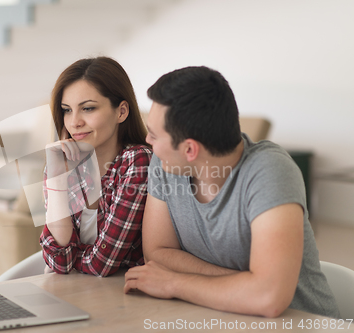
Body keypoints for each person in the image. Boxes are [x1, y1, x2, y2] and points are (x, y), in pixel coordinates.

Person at [123, 66, 340, 318]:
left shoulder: (270, 170)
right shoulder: (165, 161)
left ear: (190, 150)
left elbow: (268, 298)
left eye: (153, 135)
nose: (148, 142)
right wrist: (247, 282)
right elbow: (158, 254)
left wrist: (173, 283)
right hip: (221, 317)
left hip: (301, 322)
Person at [40, 57, 152, 277]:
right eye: (66, 110)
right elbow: (61, 262)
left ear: (121, 112)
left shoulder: (137, 161)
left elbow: (102, 264)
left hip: (121, 297)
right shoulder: (60, 164)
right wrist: (55, 177)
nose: (74, 122)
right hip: (77, 290)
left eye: (88, 108)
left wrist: (73, 257)